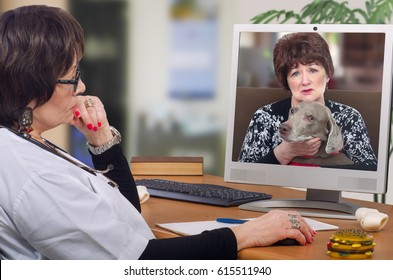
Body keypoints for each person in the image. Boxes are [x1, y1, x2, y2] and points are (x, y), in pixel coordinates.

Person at [0, 5, 315, 260]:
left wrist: (102, 142)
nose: (81, 87)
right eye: (71, 77)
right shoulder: (32, 172)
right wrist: (249, 232)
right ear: (31, 83)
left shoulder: (24, 142)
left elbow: (127, 219)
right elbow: (142, 261)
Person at [238, 32, 377, 170]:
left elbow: (370, 169)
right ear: (286, 81)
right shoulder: (265, 116)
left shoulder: (348, 117)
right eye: (295, 73)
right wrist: (284, 152)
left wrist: (319, 171)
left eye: (313, 70)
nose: (305, 81)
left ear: (328, 74)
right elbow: (242, 173)